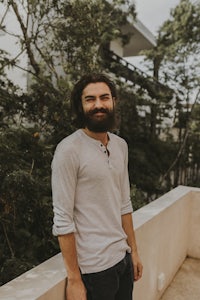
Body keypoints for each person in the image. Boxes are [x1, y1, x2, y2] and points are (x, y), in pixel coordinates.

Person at [51, 73, 143, 300]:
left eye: (104, 97)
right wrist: (74, 279)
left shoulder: (121, 146)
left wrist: (134, 252)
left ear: (113, 101)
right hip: (94, 270)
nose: (98, 105)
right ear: (80, 106)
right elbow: (63, 219)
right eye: (90, 99)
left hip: (123, 259)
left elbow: (124, 204)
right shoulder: (68, 150)